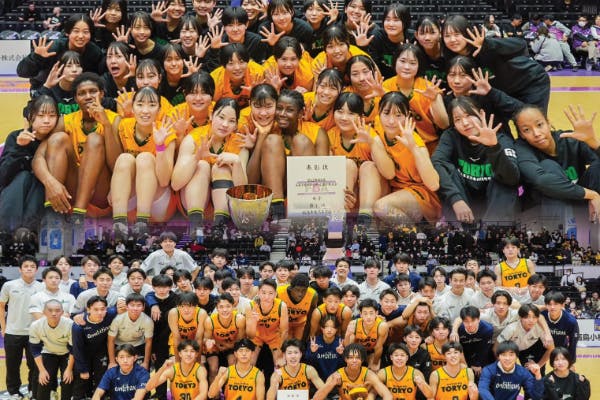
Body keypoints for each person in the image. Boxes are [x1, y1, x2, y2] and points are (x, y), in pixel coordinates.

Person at [32, 72, 117, 225]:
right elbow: (38, 157)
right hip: (73, 190)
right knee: (58, 139)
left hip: (101, 192)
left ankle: (79, 215)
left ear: (102, 94)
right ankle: (52, 213)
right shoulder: (66, 121)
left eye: (93, 91)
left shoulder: (114, 120)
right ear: (76, 99)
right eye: (82, 93)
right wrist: (50, 182)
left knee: (94, 139)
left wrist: (106, 125)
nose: (88, 96)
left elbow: (116, 166)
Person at [356, 92, 441, 225]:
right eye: (386, 113)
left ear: (408, 116)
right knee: (368, 166)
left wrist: (414, 149)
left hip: (419, 194)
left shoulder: (414, 141)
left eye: (398, 115)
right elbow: (389, 174)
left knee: (382, 207)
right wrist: (372, 143)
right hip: (393, 188)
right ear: (379, 113)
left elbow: (434, 184)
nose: (391, 121)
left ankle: (417, 235)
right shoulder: (378, 125)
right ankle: (365, 221)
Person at [432, 96, 520, 223]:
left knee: (502, 180)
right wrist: (456, 199)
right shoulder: (451, 136)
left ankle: (493, 230)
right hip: (464, 201)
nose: (465, 123)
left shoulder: (501, 139)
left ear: (481, 113)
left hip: (495, 204)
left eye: (469, 115)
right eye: (458, 119)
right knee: (446, 169)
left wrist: (493, 147)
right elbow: (437, 162)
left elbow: (512, 179)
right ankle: (461, 230)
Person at [442, 15, 550, 112]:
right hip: (504, 91)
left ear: (467, 33)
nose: (452, 39)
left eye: (457, 34)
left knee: (533, 121)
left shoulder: (485, 45)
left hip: (530, 81)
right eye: (447, 36)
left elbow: (521, 44)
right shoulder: (453, 59)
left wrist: (487, 44)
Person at [512, 104, 600, 222]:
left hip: (578, 204)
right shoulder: (521, 149)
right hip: (544, 209)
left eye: (539, 125)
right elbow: (542, 180)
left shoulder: (569, 139)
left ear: (548, 123)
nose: (536, 133)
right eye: (526, 130)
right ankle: (563, 231)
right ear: (522, 134)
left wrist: (593, 142)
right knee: (549, 166)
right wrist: (591, 194)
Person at [171, 98, 249, 227]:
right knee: (202, 165)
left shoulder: (239, 144)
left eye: (231, 121)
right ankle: (196, 227)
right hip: (192, 205)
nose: (225, 124)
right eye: (221, 117)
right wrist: (196, 158)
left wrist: (236, 162)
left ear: (236, 125)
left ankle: (220, 227)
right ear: (211, 115)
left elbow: (242, 192)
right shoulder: (193, 138)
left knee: (222, 168)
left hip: (224, 207)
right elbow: (175, 184)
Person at [0, 95, 58, 231]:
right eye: (41, 115)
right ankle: (6, 232)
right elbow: (3, 177)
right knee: (23, 177)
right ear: (31, 116)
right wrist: (19, 147)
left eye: (52, 116)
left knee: (39, 179)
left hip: (44, 194)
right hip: (15, 193)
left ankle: (28, 233)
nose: (47, 121)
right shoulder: (16, 137)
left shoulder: (57, 140)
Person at [17, 14, 104, 96]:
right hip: (46, 90)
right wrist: (36, 57)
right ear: (67, 33)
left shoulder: (94, 52)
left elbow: (101, 76)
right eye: (76, 31)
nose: (81, 36)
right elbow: (22, 72)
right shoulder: (53, 48)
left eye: (85, 32)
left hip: (76, 92)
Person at [0, 255, 43, 400]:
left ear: (36, 269)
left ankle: (33, 390)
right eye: (26, 266)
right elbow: (1, 306)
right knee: (12, 365)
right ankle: (13, 392)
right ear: (20, 269)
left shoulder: (42, 287)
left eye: (32, 266)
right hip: (13, 332)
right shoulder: (9, 285)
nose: (29, 269)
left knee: (35, 365)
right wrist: (3, 328)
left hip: (35, 333)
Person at [71, 296, 118, 400]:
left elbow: (122, 304)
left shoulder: (110, 314)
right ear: (88, 310)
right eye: (96, 309)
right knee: (82, 381)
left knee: (101, 380)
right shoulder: (79, 326)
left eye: (102, 309)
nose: (100, 312)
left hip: (101, 352)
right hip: (84, 354)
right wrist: (82, 369)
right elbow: (77, 349)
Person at [313, 343, 393, 400]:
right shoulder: (338, 375)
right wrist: (331, 383)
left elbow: (387, 395)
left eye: (357, 358)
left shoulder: (368, 374)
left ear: (362, 360)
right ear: (345, 359)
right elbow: (316, 398)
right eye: (351, 357)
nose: (354, 360)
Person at [29, 299, 74, 400]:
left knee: (67, 380)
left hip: (67, 354)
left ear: (62, 312)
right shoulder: (36, 326)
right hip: (48, 352)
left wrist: (69, 369)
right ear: (44, 312)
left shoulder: (70, 325)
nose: (54, 313)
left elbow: (73, 349)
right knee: (44, 379)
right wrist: (42, 371)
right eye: (50, 310)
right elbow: (35, 350)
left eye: (57, 310)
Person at [496, 304, 555, 375]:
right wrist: (503, 364)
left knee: (533, 371)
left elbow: (551, 348)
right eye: (527, 317)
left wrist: (538, 365)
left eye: (534, 317)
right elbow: (495, 347)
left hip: (530, 348)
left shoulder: (540, 328)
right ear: (520, 317)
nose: (531, 320)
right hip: (511, 349)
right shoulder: (511, 328)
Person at [479, 340, 544, 400]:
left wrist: (538, 375)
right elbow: (483, 389)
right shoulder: (488, 370)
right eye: (503, 355)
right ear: (498, 357)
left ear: (516, 357)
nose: (507, 358)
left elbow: (536, 396)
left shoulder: (522, 373)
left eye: (511, 355)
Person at [246, 278, 289, 366]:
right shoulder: (251, 306)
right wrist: (253, 322)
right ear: (258, 293)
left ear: (275, 294)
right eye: (263, 293)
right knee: (249, 363)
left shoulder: (281, 306)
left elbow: (284, 331)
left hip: (274, 336)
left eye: (270, 293)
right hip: (257, 336)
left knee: (280, 364)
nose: (266, 297)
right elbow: (250, 335)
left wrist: (281, 352)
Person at [203, 293, 246, 381]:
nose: (225, 310)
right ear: (217, 308)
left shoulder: (239, 319)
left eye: (228, 306)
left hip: (232, 346)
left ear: (233, 307)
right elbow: (206, 339)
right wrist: (208, 342)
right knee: (213, 368)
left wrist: (227, 346)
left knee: (232, 365)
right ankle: (213, 390)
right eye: (221, 307)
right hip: (215, 346)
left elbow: (240, 341)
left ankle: (230, 388)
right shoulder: (210, 321)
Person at [107, 293, 154, 370]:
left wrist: (146, 362)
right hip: (119, 345)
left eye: (139, 305)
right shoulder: (118, 319)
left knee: (142, 370)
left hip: (138, 345)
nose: (135, 308)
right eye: (132, 305)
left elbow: (148, 342)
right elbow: (110, 340)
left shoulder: (148, 321)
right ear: (126, 307)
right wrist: (112, 362)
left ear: (143, 307)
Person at [344, 298, 389, 370]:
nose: (368, 317)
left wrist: (375, 363)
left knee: (374, 369)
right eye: (365, 313)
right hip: (357, 351)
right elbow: (348, 347)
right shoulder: (354, 324)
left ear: (376, 313)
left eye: (371, 313)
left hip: (372, 352)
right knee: (353, 367)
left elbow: (378, 347)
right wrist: (347, 334)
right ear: (361, 314)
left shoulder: (382, 326)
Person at [277, 273, 318, 340]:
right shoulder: (279, 292)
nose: (300, 294)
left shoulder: (313, 295)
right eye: (297, 290)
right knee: (285, 343)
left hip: (301, 324)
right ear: (291, 288)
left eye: (304, 290)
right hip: (284, 324)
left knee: (298, 344)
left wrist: (304, 339)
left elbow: (310, 318)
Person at [542, 291, 579, 364]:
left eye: (556, 304)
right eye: (549, 304)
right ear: (546, 305)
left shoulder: (571, 321)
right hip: (542, 348)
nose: (552, 307)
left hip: (561, 349)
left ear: (562, 305)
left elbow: (573, 343)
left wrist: (571, 362)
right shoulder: (541, 316)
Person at [305, 315, 345, 380]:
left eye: (333, 327)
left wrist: (341, 355)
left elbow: (344, 366)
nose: (329, 330)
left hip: (335, 380)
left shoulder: (341, 343)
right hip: (317, 379)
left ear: (336, 329)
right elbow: (308, 364)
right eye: (326, 327)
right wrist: (312, 352)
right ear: (322, 328)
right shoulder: (314, 342)